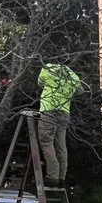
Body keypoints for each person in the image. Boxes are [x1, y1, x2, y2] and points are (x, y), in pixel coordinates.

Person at [37, 60, 81, 188]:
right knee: (61, 145)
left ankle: (52, 176)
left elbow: (40, 83)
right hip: (64, 112)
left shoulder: (48, 68)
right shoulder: (72, 74)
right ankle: (62, 177)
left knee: (46, 142)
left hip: (49, 109)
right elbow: (80, 91)